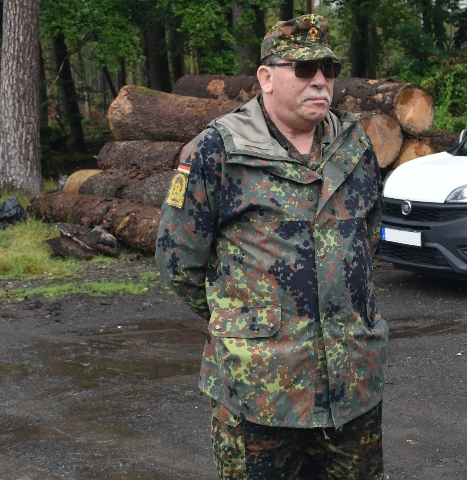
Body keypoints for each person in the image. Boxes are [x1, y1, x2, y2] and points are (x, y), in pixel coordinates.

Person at [155, 13, 388, 480]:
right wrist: (243, 325)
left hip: (351, 385)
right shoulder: (217, 151)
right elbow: (179, 261)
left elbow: (367, 240)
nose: (320, 82)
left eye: (328, 70)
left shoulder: (354, 144)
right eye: (303, 70)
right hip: (260, 389)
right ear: (266, 77)